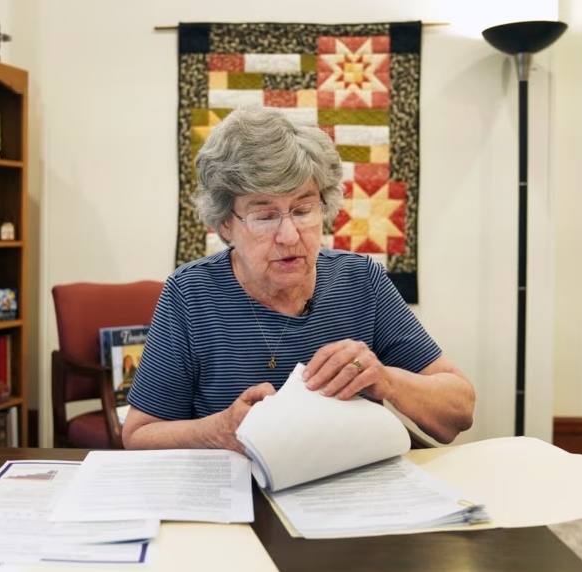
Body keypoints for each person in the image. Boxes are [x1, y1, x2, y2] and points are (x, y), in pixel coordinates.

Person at [122, 106, 475, 453]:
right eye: (264, 215)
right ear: (224, 223)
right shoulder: (191, 294)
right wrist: (219, 430)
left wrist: (388, 381)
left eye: (304, 210)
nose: (290, 235)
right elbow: (138, 434)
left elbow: (459, 411)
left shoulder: (360, 281)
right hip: (240, 498)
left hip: (345, 492)